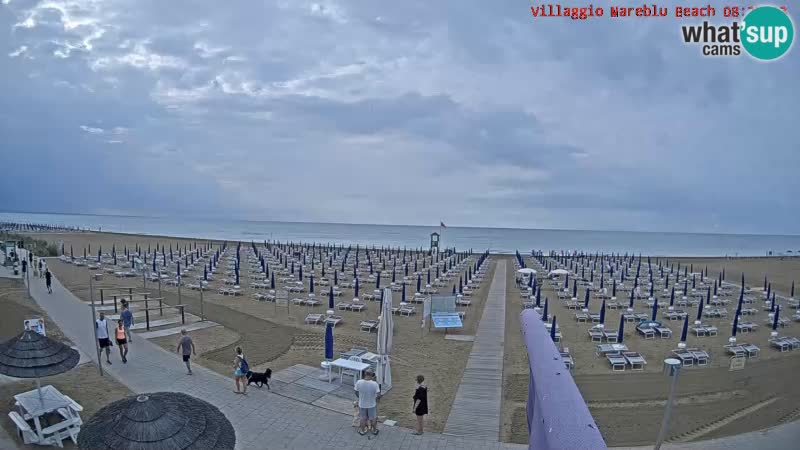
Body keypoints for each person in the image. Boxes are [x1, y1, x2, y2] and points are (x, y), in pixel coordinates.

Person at [354, 369, 381, 436]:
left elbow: (356, 392)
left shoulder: (359, 382)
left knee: (363, 418)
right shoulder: (375, 384)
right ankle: (374, 430)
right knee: (373, 418)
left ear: (365, 374)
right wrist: (376, 399)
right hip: (372, 404)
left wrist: (360, 398)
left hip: (362, 404)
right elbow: (378, 395)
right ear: (371, 375)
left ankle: (363, 431)